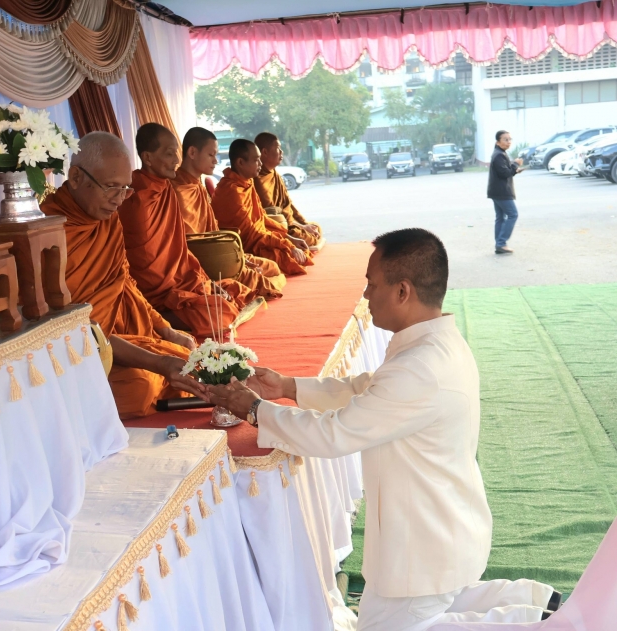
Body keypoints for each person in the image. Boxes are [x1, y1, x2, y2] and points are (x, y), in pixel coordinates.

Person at [207, 228, 560, 630]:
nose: (366, 295)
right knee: (442, 601)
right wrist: (288, 387)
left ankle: (535, 620)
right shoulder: (431, 343)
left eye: (372, 284)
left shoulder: (420, 367)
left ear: (403, 291)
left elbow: (334, 434)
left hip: (422, 547)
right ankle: (534, 603)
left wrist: (254, 409)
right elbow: (369, 391)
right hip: (440, 533)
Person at [41, 131, 205, 419]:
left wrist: (164, 327)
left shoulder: (107, 220)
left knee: (190, 360)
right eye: (111, 187)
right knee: (140, 387)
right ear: (76, 177)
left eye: (125, 189)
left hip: (118, 336)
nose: (119, 200)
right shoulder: (45, 235)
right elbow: (77, 329)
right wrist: (157, 362)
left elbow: (125, 281)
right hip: (79, 348)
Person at [118, 123, 257, 340]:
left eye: (176, 152)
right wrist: (188, 290)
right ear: (147, 157)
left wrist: (205, 282)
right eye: (169, 153)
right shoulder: (138, 199)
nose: (176, 159)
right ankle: (156, 317)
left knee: (235, 291)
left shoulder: (166, 189)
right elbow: (148, 263)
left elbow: (179, 249)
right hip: (157, 291)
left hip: (178, 281)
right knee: (217, 313)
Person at [173, 126, 286, 299]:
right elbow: (190, 244)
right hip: (205, 263)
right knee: (267, 280)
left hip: (220, 252)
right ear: (193, 152)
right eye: (211, 155)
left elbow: (214, 231)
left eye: (216, 155)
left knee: (273, 268)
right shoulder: (178, 191)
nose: (215, 161)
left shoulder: (197, 187)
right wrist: (229, 260)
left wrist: (240, 257)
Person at [211, 139, 313, 276]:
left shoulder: (247, 182)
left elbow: (262, 217)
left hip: (259, 239)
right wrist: (287, 244)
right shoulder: (232, 191)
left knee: (297, 253)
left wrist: (290, 239)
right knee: (286, 261)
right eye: (256, 160)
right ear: (240, 162)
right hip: (243, 247)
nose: (260, 163)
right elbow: (252, 233)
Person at [254, 132, 323, 251]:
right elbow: (273, 217)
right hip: (279, 229)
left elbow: (288, 203)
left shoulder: (274, 174)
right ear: (264, 152)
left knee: (316, 227)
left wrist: (305, 224)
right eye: (278, 148)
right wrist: (302, 227)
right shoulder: (258, 181)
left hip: (290, 224)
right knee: (301, 235)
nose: (282, 152)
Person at [488, 130, 524, 255]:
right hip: (502, 191)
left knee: (500, 217)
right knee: (513, 214)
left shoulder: (500, 153)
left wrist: (515, 169)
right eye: (505, 139)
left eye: (510, 139)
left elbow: (505, 171)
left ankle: (499, 244)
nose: (508, 142)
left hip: (497, 191)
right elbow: (505, 173)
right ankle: (501, 243)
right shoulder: (499, 155)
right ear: (498, 142)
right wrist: (515, 164)